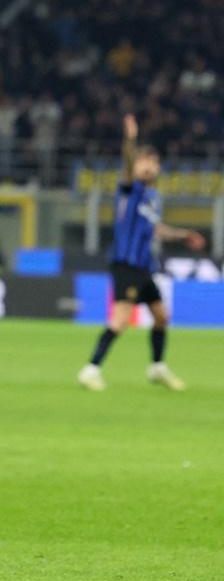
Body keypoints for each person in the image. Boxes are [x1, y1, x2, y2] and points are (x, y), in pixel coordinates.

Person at [78, 114, 204, 392]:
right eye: (143, 161)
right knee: (121, 320)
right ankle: (91, 369)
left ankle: (157, 367)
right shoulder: (129, 190)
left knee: (161, 316)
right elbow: (125, 163)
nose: (149, 166)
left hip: (144, 267)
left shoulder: (154, 198)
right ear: (135, 166)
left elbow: (156, 229)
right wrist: (131, 141)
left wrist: (183, 234)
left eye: (154, 162)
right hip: (126, 264)